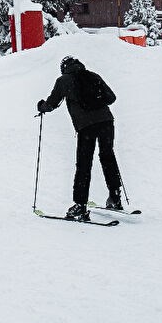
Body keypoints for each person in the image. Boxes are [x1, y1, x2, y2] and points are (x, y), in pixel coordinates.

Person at [37, 56, 123, 221]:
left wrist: (42, 107)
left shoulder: (64, 80)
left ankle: (80, 205)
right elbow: (111, 98)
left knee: (84, 163)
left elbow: (52, 103)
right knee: (107, 156)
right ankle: (115, 197)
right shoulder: (93, 76)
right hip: (106, 121)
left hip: (86, 126)